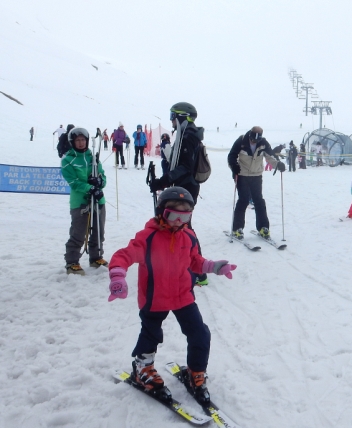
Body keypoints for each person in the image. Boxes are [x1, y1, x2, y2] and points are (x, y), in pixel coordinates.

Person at [107, 187, 237, 404]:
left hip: (182, 296)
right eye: (173, 215)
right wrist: (118, 276)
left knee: (200, 334)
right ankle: (142, 368)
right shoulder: (148, 237)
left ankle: (195, 372)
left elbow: (195, 260)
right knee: (151, 335)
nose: (179, 221)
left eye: (185, 216)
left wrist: (214, 267)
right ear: (161, 212)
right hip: (154, 296)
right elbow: (124, 255)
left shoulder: (189, 236)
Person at [149, 102, 208, 285]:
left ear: (181, 117)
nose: (171, 121)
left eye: (173, 116)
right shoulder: (186, 134)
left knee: (183, 228)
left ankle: (198, 271)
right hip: (185, 187)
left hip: (186, 188)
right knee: (180, 226)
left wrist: (163, 181)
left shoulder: (188, 136)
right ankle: (189, 267)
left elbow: (185, 167)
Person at [60, 127, 108, 275]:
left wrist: (99, 182)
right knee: (79, 232)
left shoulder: (93, 158)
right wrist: (90, 187)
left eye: (83, 140)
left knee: (98, 230)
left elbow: (103, 177)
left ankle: (96, 256)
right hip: (80, 201)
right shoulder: (68, 160)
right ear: (72, 142)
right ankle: (72, 261)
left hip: (98, 199)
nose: (81, 143)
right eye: (77, 140)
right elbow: (74, 182)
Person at [227, 126, 285, 240]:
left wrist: (278, 164)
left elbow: (270, 156)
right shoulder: (241, 141)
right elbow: (232, 156)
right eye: (253, 139)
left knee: (258, 200)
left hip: (256, 175)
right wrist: (234, 166)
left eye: (257, 140)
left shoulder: (263, 143)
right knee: (243, 200)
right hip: (242, 174)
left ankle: (263, 227)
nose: (254, 141)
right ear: (250, 135)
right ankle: (237, 228)